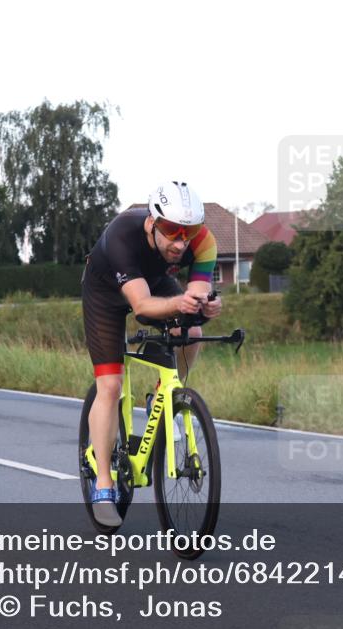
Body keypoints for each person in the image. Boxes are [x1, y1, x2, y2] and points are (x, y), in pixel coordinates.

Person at [81, 181, 221, 526]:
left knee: (192, 331)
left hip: (153, 281)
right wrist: (179, 302)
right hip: (106, 291)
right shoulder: (122, 235)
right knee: (110, 386)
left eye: (188, 232)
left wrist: (205, 304)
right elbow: (142, 306)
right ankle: (103, 484)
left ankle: (167, 398)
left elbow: (198, 291)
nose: (180, 242)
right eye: (172, 231)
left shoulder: (203, 241)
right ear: (151, 223)